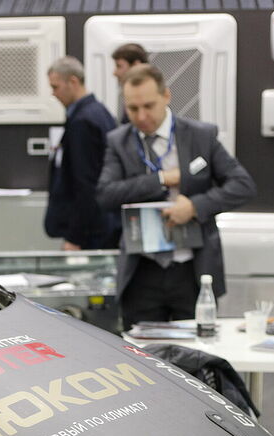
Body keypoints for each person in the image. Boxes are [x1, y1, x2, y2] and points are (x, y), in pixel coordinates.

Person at [96, 64, 256, 331]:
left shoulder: (201, 136)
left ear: (166, 96)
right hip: (142, 271)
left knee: (197, 349)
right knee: (142, 352)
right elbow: (105, 194)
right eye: (133, 109)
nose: (142, 116)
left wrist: (194, 206)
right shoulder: (118, 141)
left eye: (149, 106)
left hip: (192, 270)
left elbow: (242, 185)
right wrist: (160, 179)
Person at [44, 56, 120, 251]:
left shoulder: (83, 122)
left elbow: (86, 184)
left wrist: (75, 237)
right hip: (103, 223)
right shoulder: (99, 112)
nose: (53, 94)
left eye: (55, 87)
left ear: (73, 81)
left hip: (92, 231)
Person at [112, 43, 149, 123]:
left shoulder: (147, 97)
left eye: (119, 66)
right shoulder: (131, 94)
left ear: (136, 65)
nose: (114, 73)